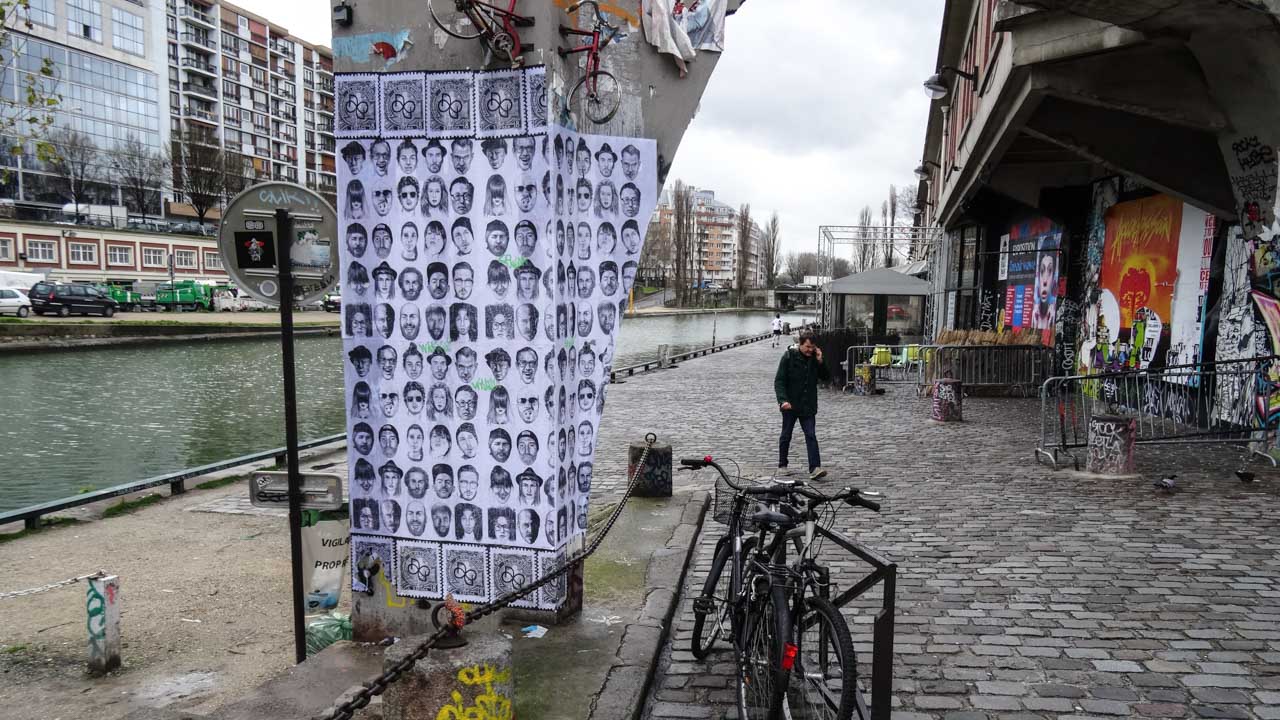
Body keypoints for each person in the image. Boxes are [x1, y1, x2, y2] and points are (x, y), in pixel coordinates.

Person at [774, 331, 829, 476]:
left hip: (808, 404)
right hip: (790, 404)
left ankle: (815, 467)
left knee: (811, 435)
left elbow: (826, 377)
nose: (810, 350)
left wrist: (820, 361)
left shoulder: (815, 359)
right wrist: (782, 400)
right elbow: (779, 381)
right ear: (800, 344)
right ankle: (782, 465)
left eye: (812, 347)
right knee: (786, 435)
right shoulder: (788, 357)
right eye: (807, 347)